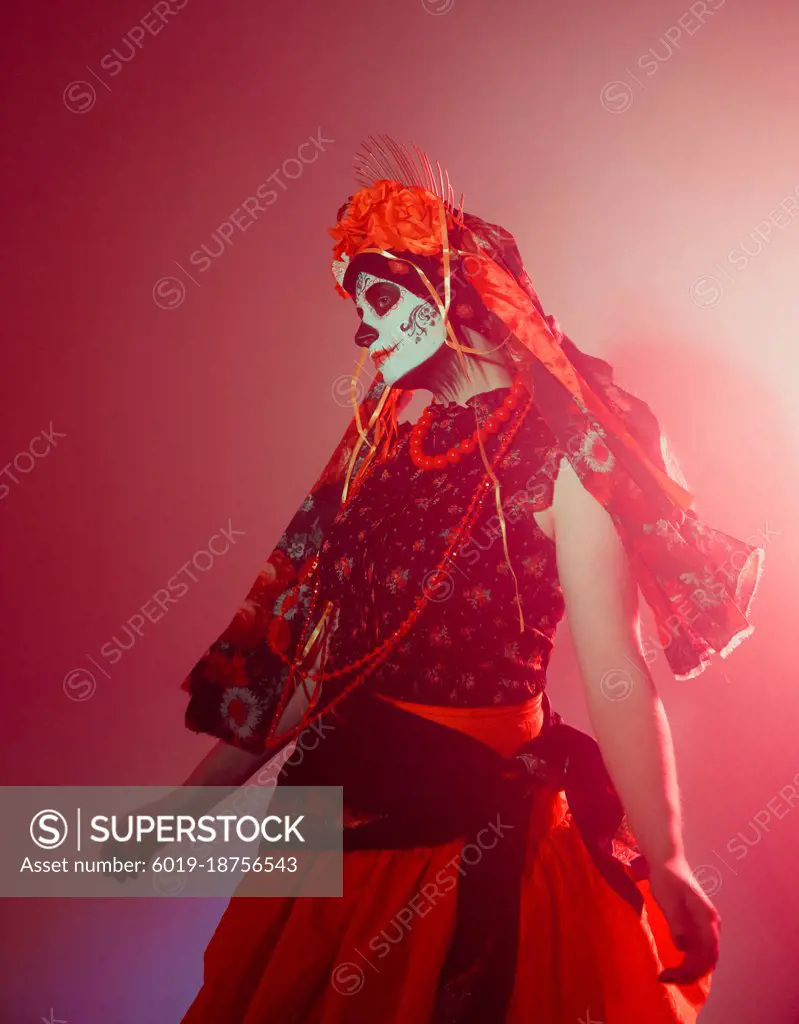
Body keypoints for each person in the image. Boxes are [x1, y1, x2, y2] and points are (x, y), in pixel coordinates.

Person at [173, 137, 763, 1022]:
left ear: (452, 291)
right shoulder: (390, 456)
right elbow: (315, 666)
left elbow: (613, 671)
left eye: (380, 299)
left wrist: (670, 858)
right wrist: (171, 815)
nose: (364, 330)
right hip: (335, 828)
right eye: (356, 310)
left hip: (469, 842)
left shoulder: (563, 460)